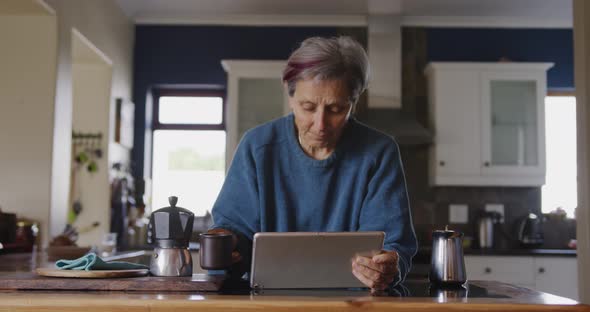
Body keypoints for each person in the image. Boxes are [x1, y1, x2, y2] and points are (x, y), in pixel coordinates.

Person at [208, 36, 417, 291]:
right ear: (289, 94)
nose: (320, 124)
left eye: (336, 109)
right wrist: (227, 245)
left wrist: (386, 265)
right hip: (267, 298)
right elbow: (234, 229)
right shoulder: (257, 147)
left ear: (355, 101)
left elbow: (392, 243)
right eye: (308, 107)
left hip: (355, 302)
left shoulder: (379, 152)